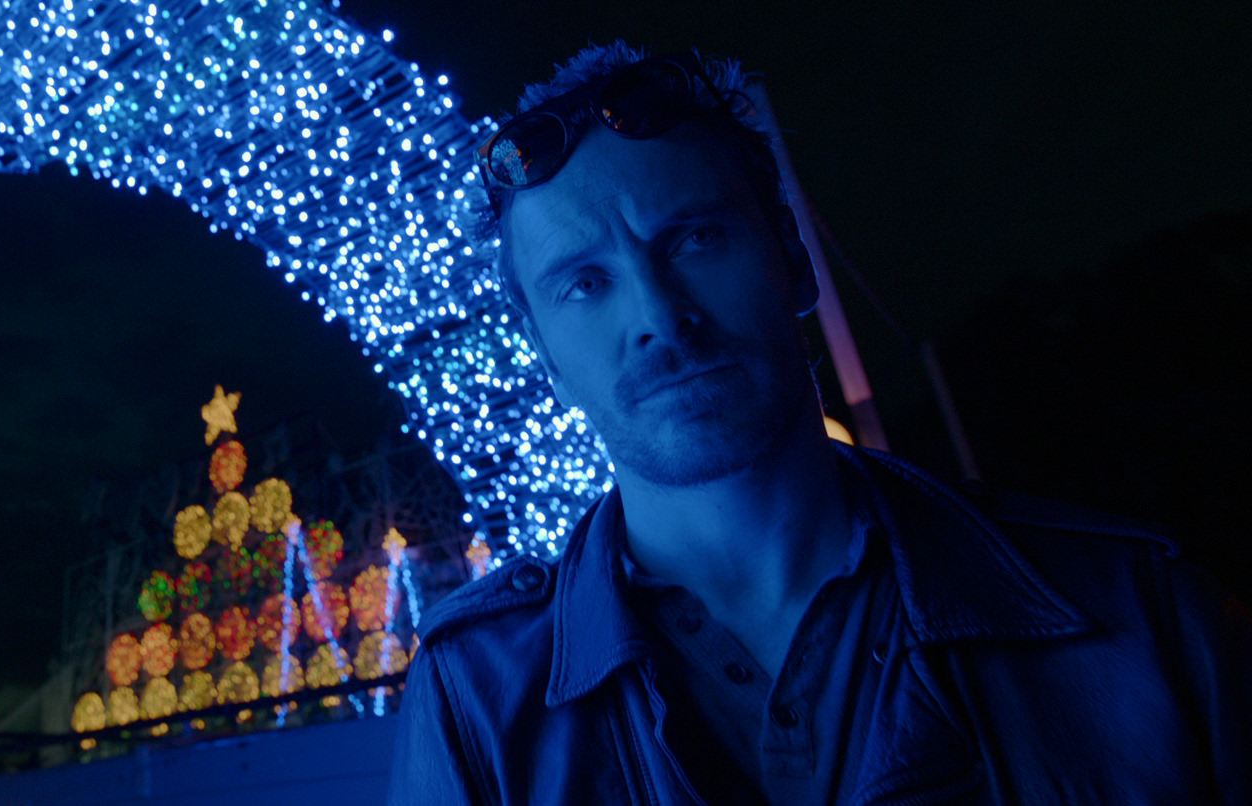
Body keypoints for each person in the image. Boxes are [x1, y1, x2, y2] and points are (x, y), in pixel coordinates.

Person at [388, 42, 1251, 805]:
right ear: (546, 356)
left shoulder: (1142, 615)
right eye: (586, 283)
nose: (659, 315)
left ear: (793, 261)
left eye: (694, 240)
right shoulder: (476, 698)